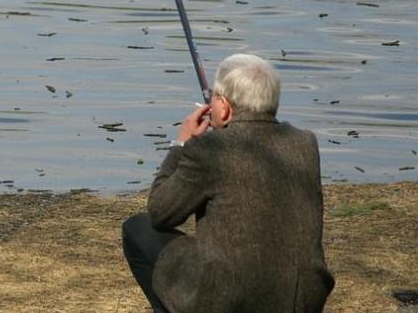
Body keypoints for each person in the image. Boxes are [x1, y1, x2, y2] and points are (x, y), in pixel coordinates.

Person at [121, 53, 334, 313]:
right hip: (302, 302)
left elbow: (160, 213)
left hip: (230, 301)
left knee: (138, 229)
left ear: (223, 107)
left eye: (214, 99)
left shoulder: (210, 149)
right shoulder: (305, 144)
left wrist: (181, 145)